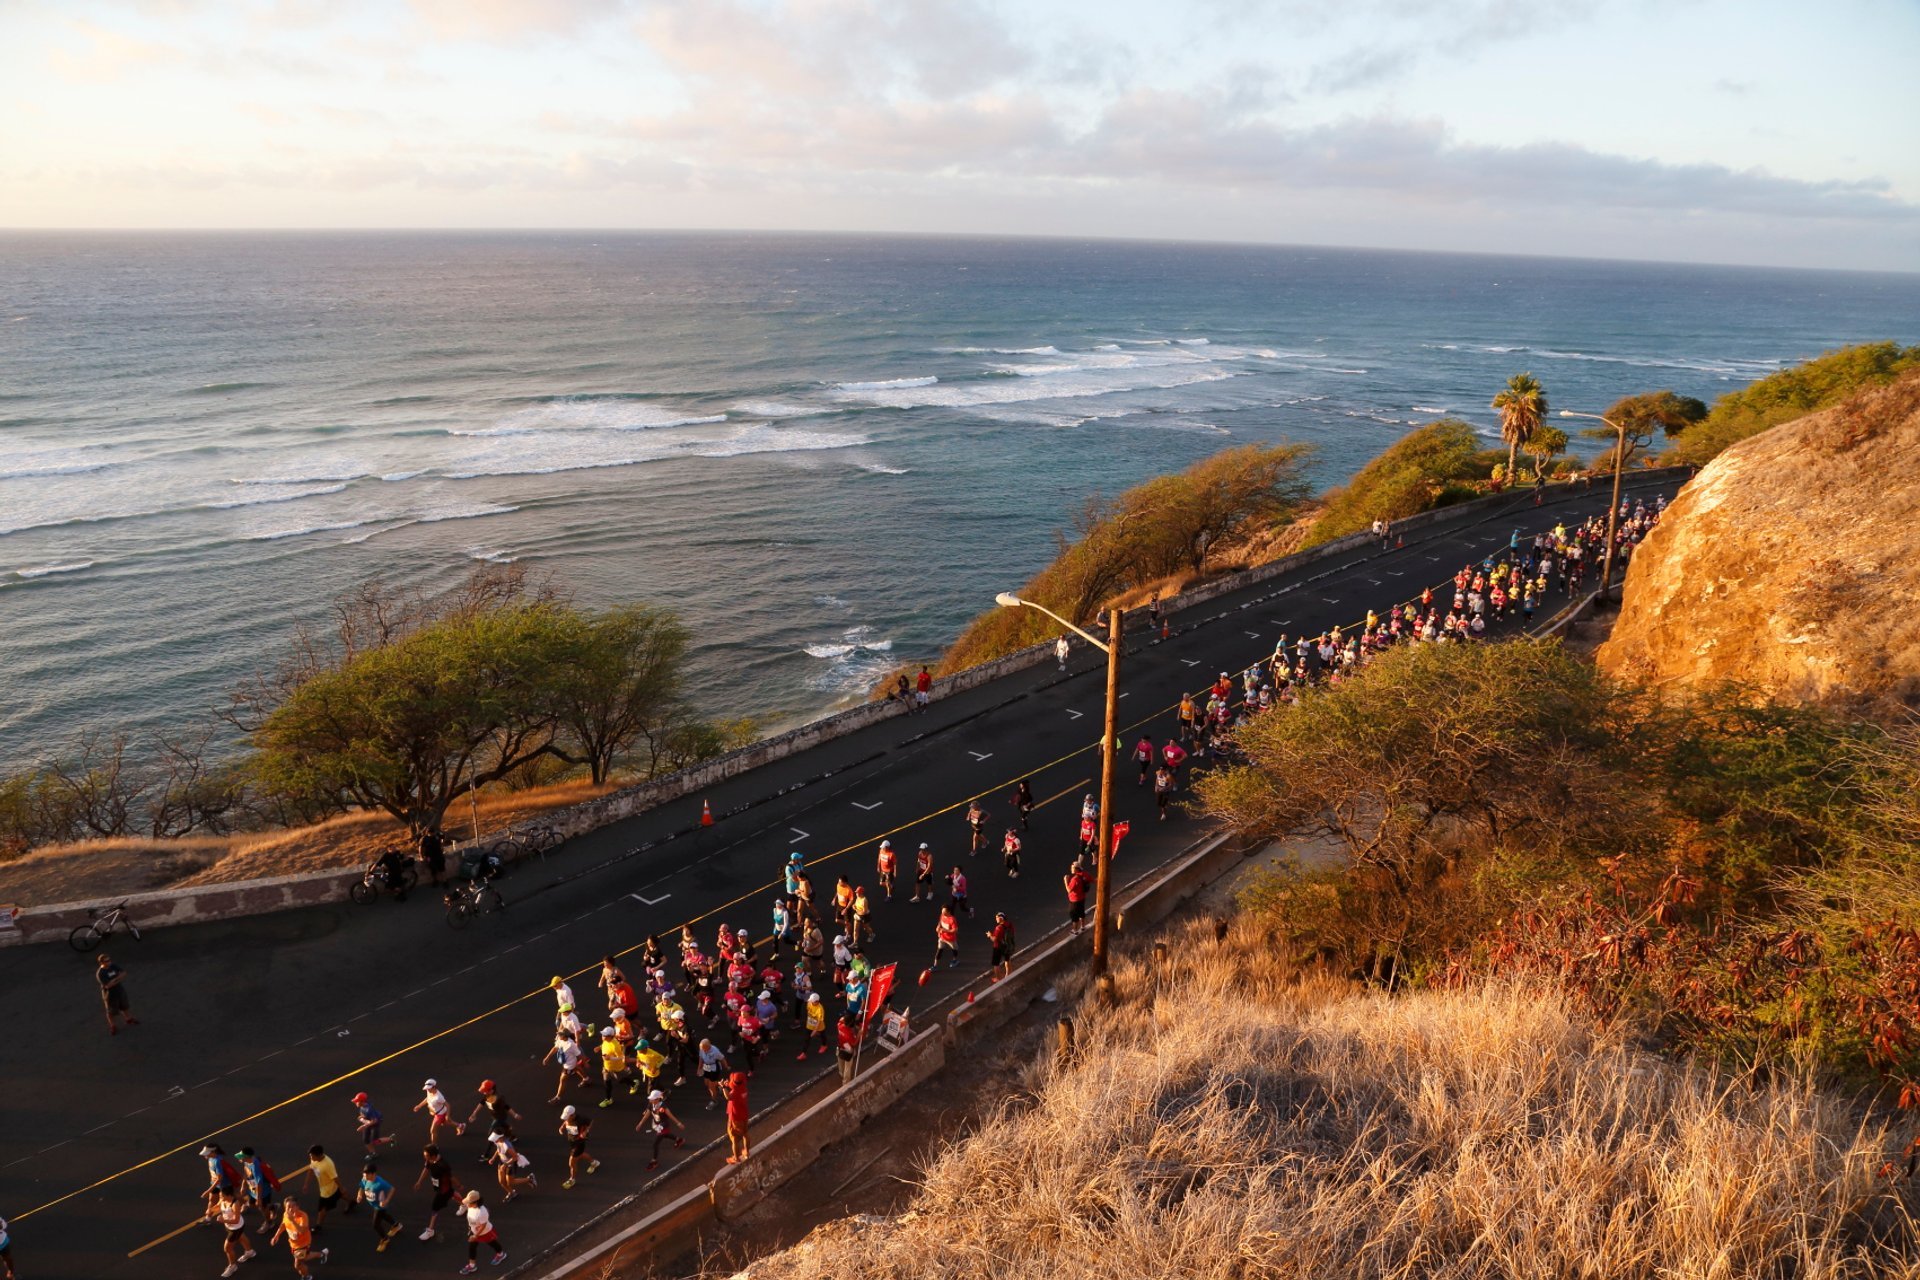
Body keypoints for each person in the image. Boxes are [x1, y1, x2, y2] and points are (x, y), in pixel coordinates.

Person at [267, 1197, 328, 1277]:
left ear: (298, 1206)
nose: (290, 1209)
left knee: (298, 1265)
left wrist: (292, 1221)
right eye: (288, 1207)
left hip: (303, 1244)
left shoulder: (303, 1217)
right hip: (293, 1243)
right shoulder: (286, 1214)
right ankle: (322, 1254)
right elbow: (283, 1224)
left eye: (293, 1206)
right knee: (305, 1257)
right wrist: (276, 1235)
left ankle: (306, 1276)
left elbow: (302, 1230)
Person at [413, 1143, 460, 1241]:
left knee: (435, 1207)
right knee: (452, 1193)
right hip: (439, 1186)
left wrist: (459, 1185)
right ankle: (466, 1204)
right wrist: (419, 1182)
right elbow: (426, 1169)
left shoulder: (443, 1165)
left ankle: (430, 1230)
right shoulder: (429, 1160)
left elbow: (451, 1177)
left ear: (433, 1155)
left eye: (426, 1155)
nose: (424, 1157)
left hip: (443, 1190)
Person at [355, 1159, 403, 1251]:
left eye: (366, 1174)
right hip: (374, 1204)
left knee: (375, 1225)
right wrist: (359, 1195)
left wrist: (387, 1200)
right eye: (363, 1174)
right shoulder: (365, 1179)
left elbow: (392, 1189)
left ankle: (385, 1239)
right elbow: (361, 1187)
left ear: (373, 1174)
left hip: (380, 1206)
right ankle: (396, 1225)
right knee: (384, 1216)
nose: (364, 1176)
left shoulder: (380, 1183)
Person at [455, 1190, 506, 1274]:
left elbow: (483, 1225)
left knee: (492, 1242)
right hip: (474, 1231)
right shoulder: (470, 1207)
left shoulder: (482, 1212)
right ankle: (472, 1265)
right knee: (472, 1247)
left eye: (469, 1202)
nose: (467, 1204)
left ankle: (501, 1254)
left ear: (475, 1202)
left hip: (484, 1232)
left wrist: (476, 1235)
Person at [636, 1090, 687, 1170]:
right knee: (665, 1135)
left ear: (657, 1099)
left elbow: (670, 1116)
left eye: (652, 1099)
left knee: (655, 1144)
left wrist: (679, 1123)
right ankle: (679, 1140)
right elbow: (647, 1115)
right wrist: (640, 1124)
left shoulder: (663, 1107)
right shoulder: (651, 1104)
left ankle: (654, 1161)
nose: (650, 1100)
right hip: (657, 1124)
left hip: (663, 1126)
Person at [237, 1145, 281, 1235]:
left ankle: (269, 1223)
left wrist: (259, 1198)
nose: (240, 1158)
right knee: (252, 1204)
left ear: (247, 1157)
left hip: (263, 1192)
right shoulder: (246, 1162)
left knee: (262, 1208)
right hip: (252, 1190)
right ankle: (273, 1207)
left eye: (242, 1156)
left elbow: (259, 1183)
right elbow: (246, 1172)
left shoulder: (256, 1166)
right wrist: (243, 1185)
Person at [212, 1186, 255, 1277]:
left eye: (222, 1195)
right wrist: (210, 1210)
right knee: (241, 1237)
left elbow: (236, 1220)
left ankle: (232, 1266)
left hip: (236, 1228)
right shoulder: (223, 1200)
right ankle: (250, 1252)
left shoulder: (235, 1204)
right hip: (230, 1226)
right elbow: (218, 1206)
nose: (220, 1197)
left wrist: (223, 1221)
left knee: (227, 1248)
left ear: (228, 1195)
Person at [484, 1128, 535, 1201]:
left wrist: (505, 1164)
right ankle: (512, 1193)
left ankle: (529, 1179)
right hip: (502, 1162)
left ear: (501, 1137)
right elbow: (498, 1150)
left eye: (496, 1139)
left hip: (510, 1164)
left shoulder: (507, 1146)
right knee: (502, 1182)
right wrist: (493, 1158)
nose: (495, 1140)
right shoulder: (498, 1141)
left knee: (510, 1182)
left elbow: (515, 1157)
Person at [304, 1145, 347, 1230]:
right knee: (338, 1195)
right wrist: (306, 1184)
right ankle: (351, 1202)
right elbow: (311, 1169)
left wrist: (342, 1188)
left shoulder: (328, 1164)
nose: (310, 1157)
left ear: (319, 1155)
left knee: (322, 1208)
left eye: (312, 1155)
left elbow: (335, 1177)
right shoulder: (314, 1159)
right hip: (324, 1186)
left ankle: (318, 1225)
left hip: (328, 1190)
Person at [557, 1105, 600, 1189]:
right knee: (581, 1154)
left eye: (568, 1117)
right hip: (572, 1141)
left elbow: (591, 1121)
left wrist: (585, 1132)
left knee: (572, 1163)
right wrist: (562, 1127)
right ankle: (594, 1163)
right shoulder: (568, 1118)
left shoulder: (581, 1119)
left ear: (573, 1115)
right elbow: (566, 1121)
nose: (566, 1118)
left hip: (579, 1143)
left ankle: (572, 1179)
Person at [96, 952, 136, 1035]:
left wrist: (115, 980)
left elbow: (124, 973)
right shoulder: (100, 973)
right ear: (101, 963)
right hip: (110, 994)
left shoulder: (112, 966)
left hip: (119, 990)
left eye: (109, 960)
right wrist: (118, 979)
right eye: (106, 961)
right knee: (111, 1011)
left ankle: (128, 1018)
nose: (109, 962)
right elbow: (108, 986)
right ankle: (113, 1025)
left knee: (124, 1006)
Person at [201, 1143, 244, 1219]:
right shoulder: (210, 1158)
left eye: (207, 1153)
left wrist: (208, 1191)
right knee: (211, 1199)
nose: (205, 1156)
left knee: (230, 1198)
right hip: (214, 1183)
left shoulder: (218, 1162)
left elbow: (219, 1178)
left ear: (213, 1152)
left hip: (225, 1185)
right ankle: (208, 1218)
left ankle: (244, 1203)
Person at [414, 1078, 461, 1145]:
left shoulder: (439, 1097)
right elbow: (428, 1098)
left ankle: (434, 1146)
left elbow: (448, 1105)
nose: (427, 1089)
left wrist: (447, 1115)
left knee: (432, 1130)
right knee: (445, 1123)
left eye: (429, 1088)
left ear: (434, 1087)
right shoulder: (429, 1091)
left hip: (439, 1114)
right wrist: (419, 1106)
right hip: (435, 1112)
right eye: (427, 1088)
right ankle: (460, 1126)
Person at [722, 1070, 752, 1164]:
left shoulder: (734, 1093)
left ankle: (736, 1157)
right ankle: (746, 1151)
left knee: (734, 1138)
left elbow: (728, 1097)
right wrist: (727, 1086)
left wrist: (723, 1087)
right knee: (745, 1133)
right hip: (744, 1114)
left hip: (735, 1117)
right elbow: (734, 1086)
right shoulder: (744, 1089)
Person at [1064, 860, 1093, 935]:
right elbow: (1092, 880)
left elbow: (1069, 890)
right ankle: (1083, 926)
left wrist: (1066, 881)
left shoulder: (1075, 879)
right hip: (1082, 898)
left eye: (1072, 868)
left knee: (1074, 915)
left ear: (1076, 869)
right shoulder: (1085, 874)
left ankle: (1075, 930)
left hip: (1074, 900)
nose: (1071, 869)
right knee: (1081, 912)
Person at [986, 911, 1017, 982]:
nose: (996, 919)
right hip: (1008, 945)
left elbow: (994, 939)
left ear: (1001, 918)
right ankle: (1009, 974)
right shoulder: (1010, 924)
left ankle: (998, 979)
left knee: (996, 964)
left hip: (998, 947)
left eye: (997, 917)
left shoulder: (998, 928)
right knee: (1007, 960)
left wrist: (990, 935)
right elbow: (1012, 933)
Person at [835, 1012, 860, 1085]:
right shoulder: (849, 1033)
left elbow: (841, 1020)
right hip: (848, 1050)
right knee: (847, 1067)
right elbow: (854, 1043)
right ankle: (846, 1082)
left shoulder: (839, 1025)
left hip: (840, 1046)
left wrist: (845, 1018)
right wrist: (859, 1034)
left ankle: (841, 1074)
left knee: (840, 1062)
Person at [933, 905, 960, 970]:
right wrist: (938, 926)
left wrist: (946, 930)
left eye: (944, 912)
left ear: (949, 912)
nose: (942, 913)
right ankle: (935, 965)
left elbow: (955, 930)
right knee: (939, 950)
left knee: (955, 949)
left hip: (950, 939)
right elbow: (940, 922)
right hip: (942, 937)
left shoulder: (952, 919)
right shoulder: (942, 915)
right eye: (942, 911)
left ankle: (955, 960)